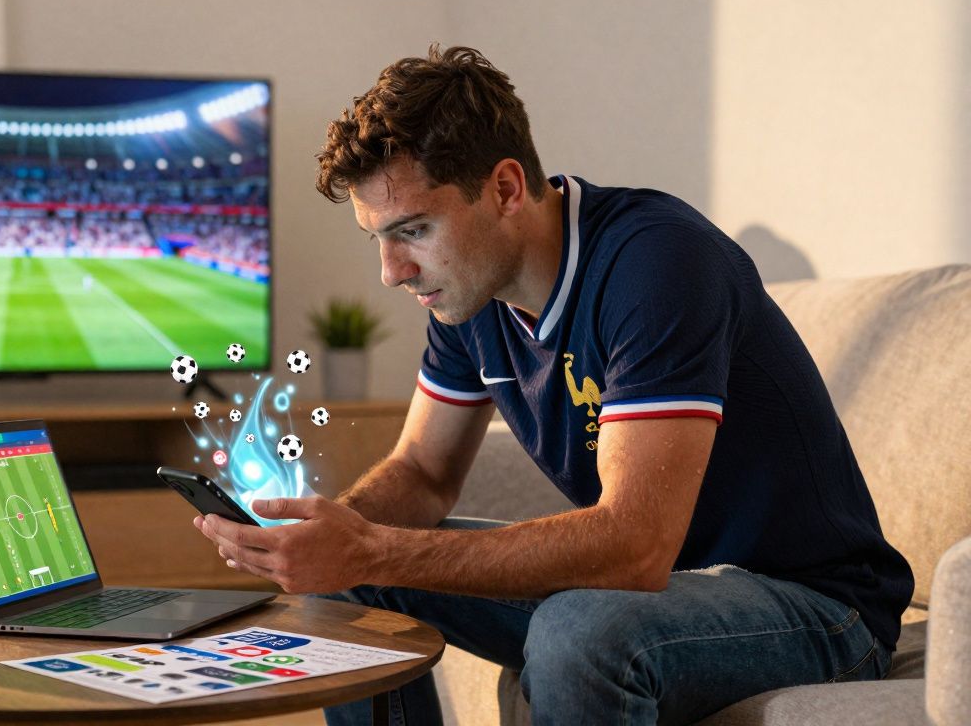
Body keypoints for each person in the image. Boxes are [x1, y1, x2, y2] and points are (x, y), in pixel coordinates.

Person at [193, 45, 914, 724]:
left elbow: (634, 546)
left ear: (505, 187)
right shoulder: (468, 295)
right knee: (349, 584)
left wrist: (373, 547)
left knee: (580, 628)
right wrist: (330, 532)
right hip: (668, 595)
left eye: (412, 230)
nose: (391, 271)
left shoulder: (657, 264)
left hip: (817, 606)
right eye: (377, 237)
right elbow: (422, 472)